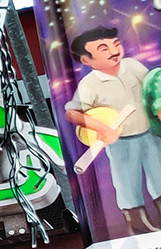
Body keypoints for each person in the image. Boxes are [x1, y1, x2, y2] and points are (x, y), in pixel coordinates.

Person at [66, 25, 161, 236]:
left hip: (149, 133)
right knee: (127, 181)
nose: (114, 51)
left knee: (159, 173)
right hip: (120, 142)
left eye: (116, 45)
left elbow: (152, 87)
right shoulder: (89, 84)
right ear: (86, 60)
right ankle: (137, 224)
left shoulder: (132, 66)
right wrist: (100, 127)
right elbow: (72, 113)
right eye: (103, 48)